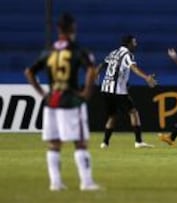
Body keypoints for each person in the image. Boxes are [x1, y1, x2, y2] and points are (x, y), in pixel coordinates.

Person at [24, 13, 100, 191]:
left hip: (52, 101)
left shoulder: (49, 51)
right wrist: (86, 92)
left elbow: (29, 72)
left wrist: (42, 93)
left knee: (54, 143)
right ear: (73, 28)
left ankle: (55, 183)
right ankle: (86, 182)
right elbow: (91, 70)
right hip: (71, 100)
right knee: (80, 142)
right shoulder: (77, 50)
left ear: (58, 29)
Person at [97, 35, 157, 149]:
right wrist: (146, 77)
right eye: (134, 42)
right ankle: (138, 141)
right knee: (133, 112)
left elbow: (102, 65)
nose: (136, 44)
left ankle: (105, 143)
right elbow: (134, 68)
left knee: (112, 116)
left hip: (105, 89)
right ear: (128, 43)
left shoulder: (114, 53)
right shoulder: (127, 55)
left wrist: (96, 74)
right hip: (118, 91)